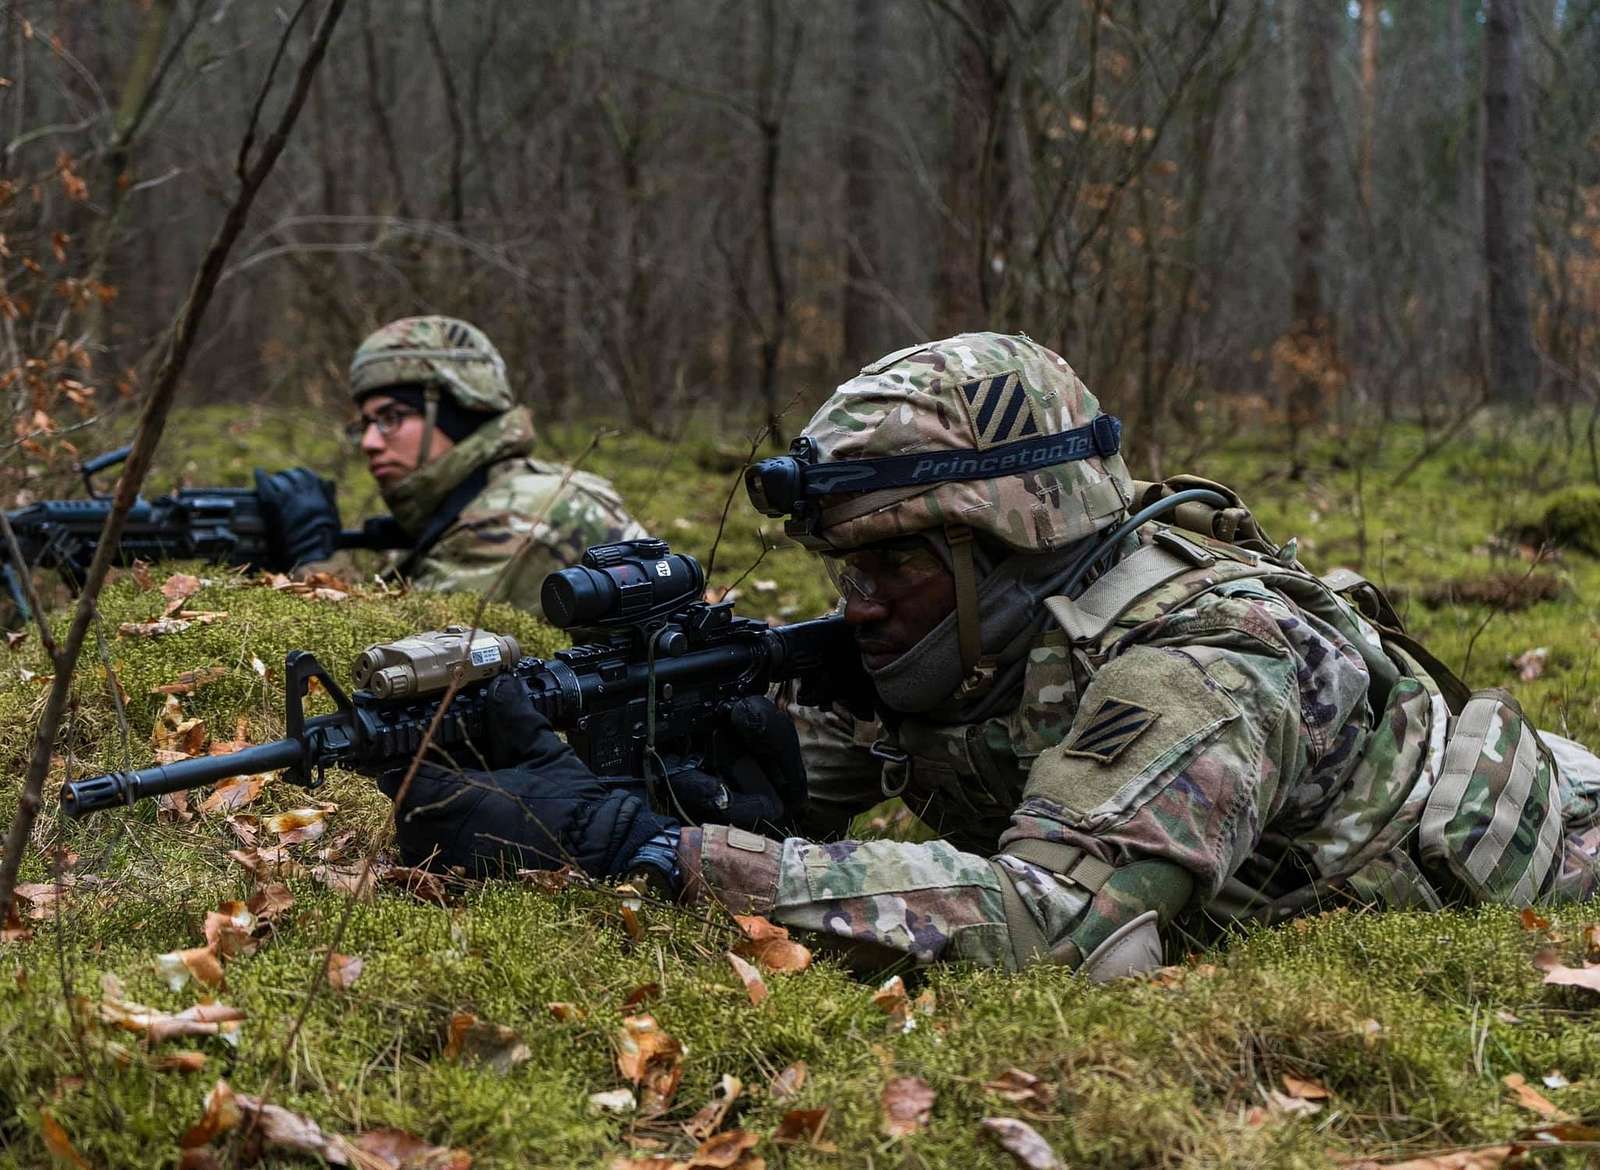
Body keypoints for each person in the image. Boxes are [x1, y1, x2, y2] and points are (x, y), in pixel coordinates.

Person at [379, 332, 1600, 978]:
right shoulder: (977, 636)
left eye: (893, 568)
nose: (858, 607)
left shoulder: (1204, 657)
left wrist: (650, 850)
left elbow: (1070, 933)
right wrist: (633, 773)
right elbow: (848, 784)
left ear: (1006, 544)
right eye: (842, 571)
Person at [254, 315, 645, 615]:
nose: (370, 443)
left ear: (456, 412)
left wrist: (312, 560)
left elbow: (407, 658)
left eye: (391, 418)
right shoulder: (471, 503)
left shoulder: (521, 512)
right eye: (366, 424)